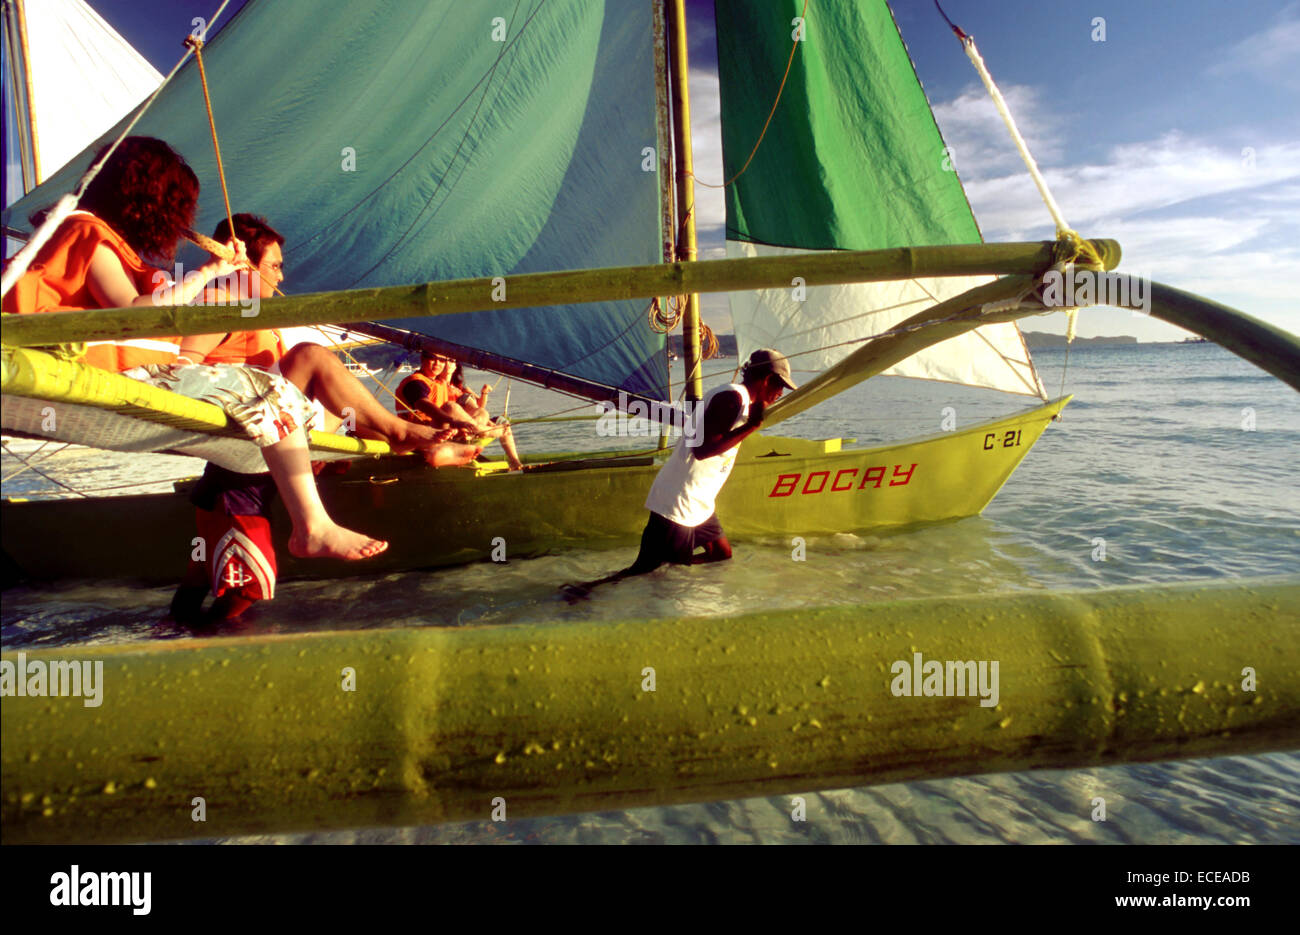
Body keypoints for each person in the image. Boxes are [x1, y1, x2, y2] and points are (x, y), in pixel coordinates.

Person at [2, 136, 386, 564]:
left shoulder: (91, 233)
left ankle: (336, 488)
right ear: (149, 199)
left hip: (117, 374)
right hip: (103, 375)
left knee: (291, 402)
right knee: (273, 394)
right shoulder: (86, 231)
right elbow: (132, 312)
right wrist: (207, 273)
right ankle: (311, 527)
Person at [183, 213, 480, 468]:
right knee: (311, 356)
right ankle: (402, 433)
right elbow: (185, 369)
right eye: (274, 266)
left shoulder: (256, 316)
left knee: (341, 403)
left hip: (275, 416)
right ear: (244, 265)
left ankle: (417, 445)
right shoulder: (218, 303)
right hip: (242, 421)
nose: (281, 277)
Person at [562, 348, 796, 598]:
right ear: (767, 379)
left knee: (720, 555)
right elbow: (703, 449)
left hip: (700, 503)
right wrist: (752, 426)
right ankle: (581, 592)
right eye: (779, 386)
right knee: (645, 570)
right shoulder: (732, 398)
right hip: (678, 501)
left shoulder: (740, 400)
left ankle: (674, 564)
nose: (780, 394)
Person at [396, 350, 523, 470]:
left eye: (441, 360)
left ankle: (513, 461)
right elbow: (423, 404)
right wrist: (453, 421)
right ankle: (481, 430)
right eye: (432, 359)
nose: (437, 363)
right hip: (421, 435)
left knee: (482, 412)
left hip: (444, 431)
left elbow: (473, 406)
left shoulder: (441, 385)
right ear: (423, 358)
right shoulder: (414, 382)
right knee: (450, 407)